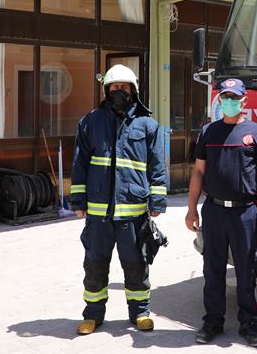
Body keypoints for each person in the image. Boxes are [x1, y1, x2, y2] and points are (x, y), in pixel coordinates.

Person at [70, 64, 168, 335]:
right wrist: (78, 201)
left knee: (136, 265)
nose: (119, 91)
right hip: (98, 214)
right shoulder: (90, 122)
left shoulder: (147, 125)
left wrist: (158, 201)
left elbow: (157, 166)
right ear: (106, 90)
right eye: (115, 87)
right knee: (95, 266)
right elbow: (79, 163)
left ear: (133, 90)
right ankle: (92, 316)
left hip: (133, 214)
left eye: (124, 87)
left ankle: (140, 313)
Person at [186, 78, 257, 347]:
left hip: (244, 213)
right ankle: (213, 321)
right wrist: (191, 209)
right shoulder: (208, 132)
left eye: (234, 97)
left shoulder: (256, 133)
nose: (229, 101)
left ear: (244, 101)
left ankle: (249, 324)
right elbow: (198, 171)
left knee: (246, 270)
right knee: (212, 269)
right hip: (213, 210)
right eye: (225, 97)